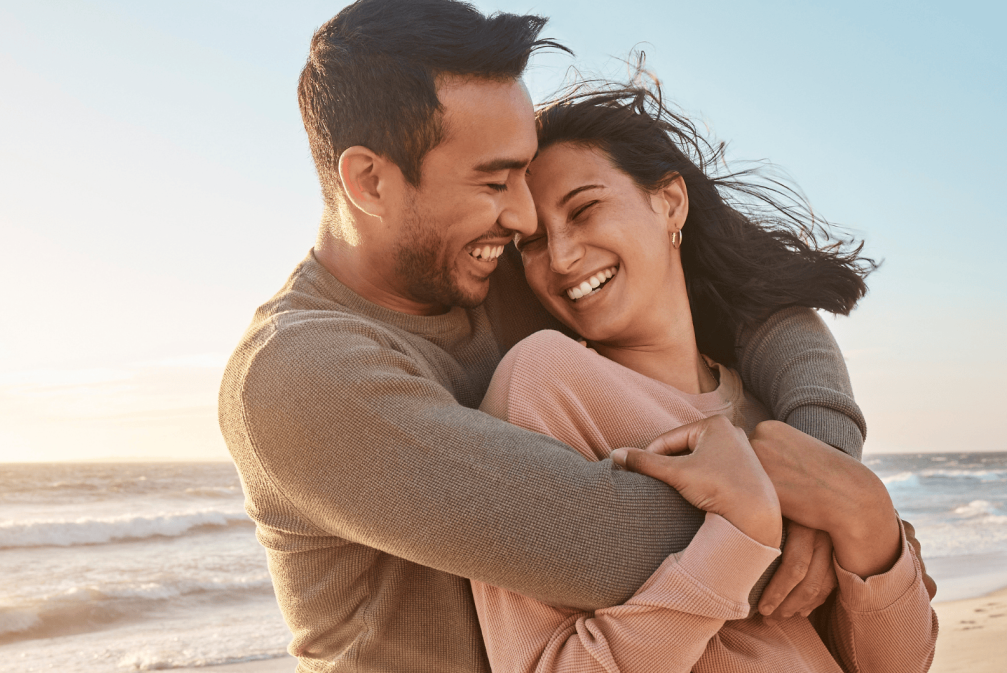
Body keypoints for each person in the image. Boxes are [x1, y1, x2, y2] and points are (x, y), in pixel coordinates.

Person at [218, 1, 895, 670]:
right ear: (370, 181)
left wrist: (826, 462)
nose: (523, 216)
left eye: (522, 172)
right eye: (494, 182)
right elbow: (605, 543)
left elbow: (755, 305)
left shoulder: (500, 263)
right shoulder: (296, 374)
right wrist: (822, 519)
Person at [470, 82, 938, 672]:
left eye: (584, 210)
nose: (560, 257)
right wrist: (737, 539)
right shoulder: (545, 384)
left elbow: (899, 664)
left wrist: (867, 514)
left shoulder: (774, 411)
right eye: (533, 243)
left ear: (670, 202)